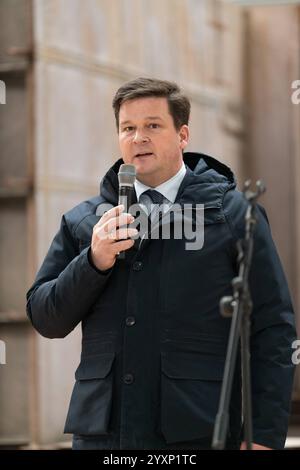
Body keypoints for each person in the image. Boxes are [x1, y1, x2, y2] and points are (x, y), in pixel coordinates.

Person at [26, 77, 297, 450]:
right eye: (128, 128)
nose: (139, 138)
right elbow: (45, 317)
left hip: (197, 433)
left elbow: (274, 329)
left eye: (153, 125)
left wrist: (264, 437)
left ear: (182, 135)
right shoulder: (86, 222)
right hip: (105, 438)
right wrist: (93, 261)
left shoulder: (232, 215)